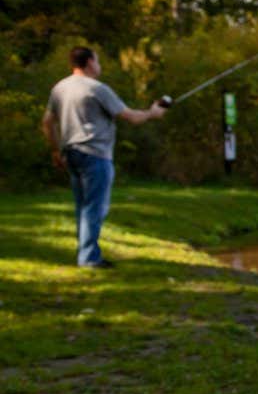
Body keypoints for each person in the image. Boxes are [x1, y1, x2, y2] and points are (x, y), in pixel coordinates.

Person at [40, 46, 166, 267]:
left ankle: (86, 252)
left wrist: (55, 150)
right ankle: (89, 258)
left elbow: (47, 122)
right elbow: (131, 117)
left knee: (83, 205)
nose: (99, 66)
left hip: (71, 153)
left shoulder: (59, 88)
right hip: (95, 154)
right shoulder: (97, 89)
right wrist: (152, 113)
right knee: (95, 207)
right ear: (89, 62)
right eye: (97, 61)